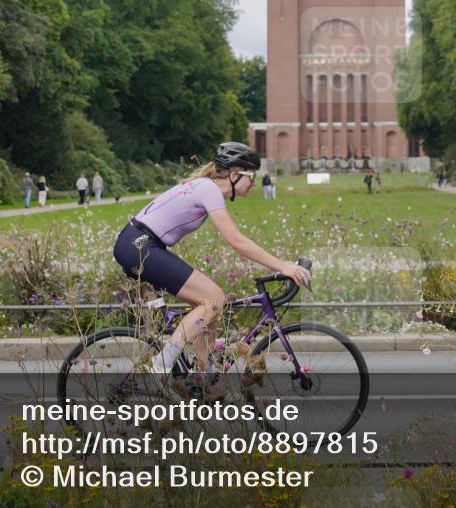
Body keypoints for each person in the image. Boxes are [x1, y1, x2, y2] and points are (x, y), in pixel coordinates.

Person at [112, 142, 311, 377]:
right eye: (252, 176)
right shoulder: (209, 190)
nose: (254, 183)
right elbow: (236, 241)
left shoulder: (206, 187)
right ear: (235, 175)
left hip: (140, 243)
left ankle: (203, 377)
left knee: (211, 309)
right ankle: (161, 362)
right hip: (139, 245)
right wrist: (283, 266)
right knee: (214, 299)